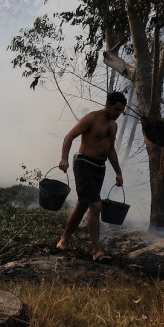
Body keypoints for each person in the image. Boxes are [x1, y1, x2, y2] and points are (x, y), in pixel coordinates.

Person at [56, 91, 126, 263]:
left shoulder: (113, 125)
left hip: (99, 168)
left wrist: (118, 172)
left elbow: (111, 150)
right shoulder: (92, 118)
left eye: (121, 111)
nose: (118, 114)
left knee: (82, 204)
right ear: (108, 104)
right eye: (116, 109)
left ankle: (63, 241)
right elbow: (69, 136)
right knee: (95, 205)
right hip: (84, 164)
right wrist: (64, 158)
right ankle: (97, 251)